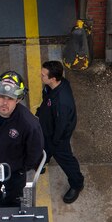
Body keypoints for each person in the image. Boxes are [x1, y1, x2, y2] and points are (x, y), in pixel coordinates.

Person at [0, 71, 44, 208]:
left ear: (18, 100)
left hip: (13, 171)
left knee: (13, 198)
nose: (4, 103)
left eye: (10, 98)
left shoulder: (29, 125)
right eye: (1, 96)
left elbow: (35, 152)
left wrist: (20, 169)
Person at [36, 60, 85, 204]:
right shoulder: (51, 86)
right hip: (46, 129)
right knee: (43, 147)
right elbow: (46, 102)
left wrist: (55, 142)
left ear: (53, 78)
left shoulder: (62, 102)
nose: (41, 76)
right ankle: (43, 161)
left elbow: (61, 126)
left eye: (44, 75)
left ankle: (77, 184)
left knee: (66, 160)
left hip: (57, 137)